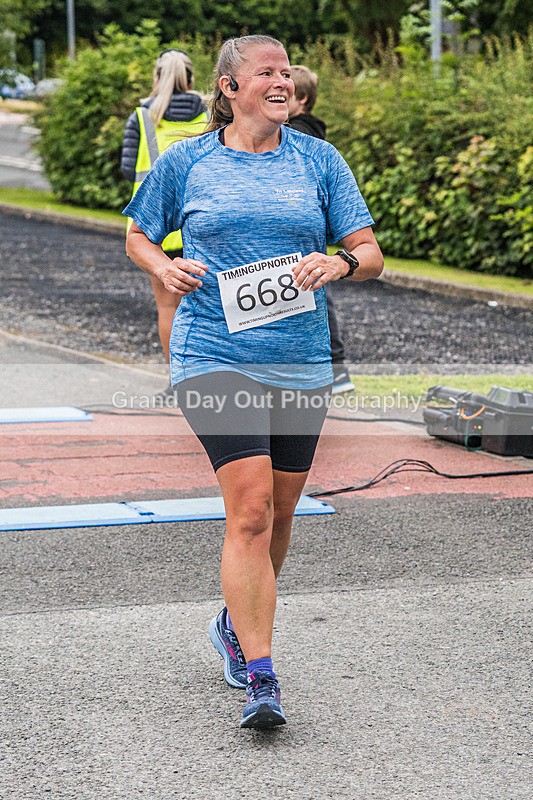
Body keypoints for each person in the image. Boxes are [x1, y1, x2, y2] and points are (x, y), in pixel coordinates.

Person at [123, 35, 383, 730]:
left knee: (282, 512)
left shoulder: (319, 160)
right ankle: (261, 677)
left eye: (285, 71)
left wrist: (340, 264)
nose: (281, 80)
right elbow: (137, 234)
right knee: (251, 509)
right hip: (213, 352)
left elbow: (369, 251)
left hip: (299, 358)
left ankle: (233, 622)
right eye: (266, 72)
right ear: (230, 87)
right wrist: (163, 267)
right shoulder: (187, 161)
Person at [120, 49, 209, 371]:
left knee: (168, 308)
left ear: (157, 77)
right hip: (204, 227)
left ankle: (179, 380)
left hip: (156, 232)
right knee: (212, 310)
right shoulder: (210, 116)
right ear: (192, 79)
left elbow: (128, 169)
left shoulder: (143, 116)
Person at [288, 65, 354, 395]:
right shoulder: (305, 130)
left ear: (301, 99)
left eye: (286, 91)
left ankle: (336, 368)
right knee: (311, 289)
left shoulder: (301, 135)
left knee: (313, 290)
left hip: (301, 224)